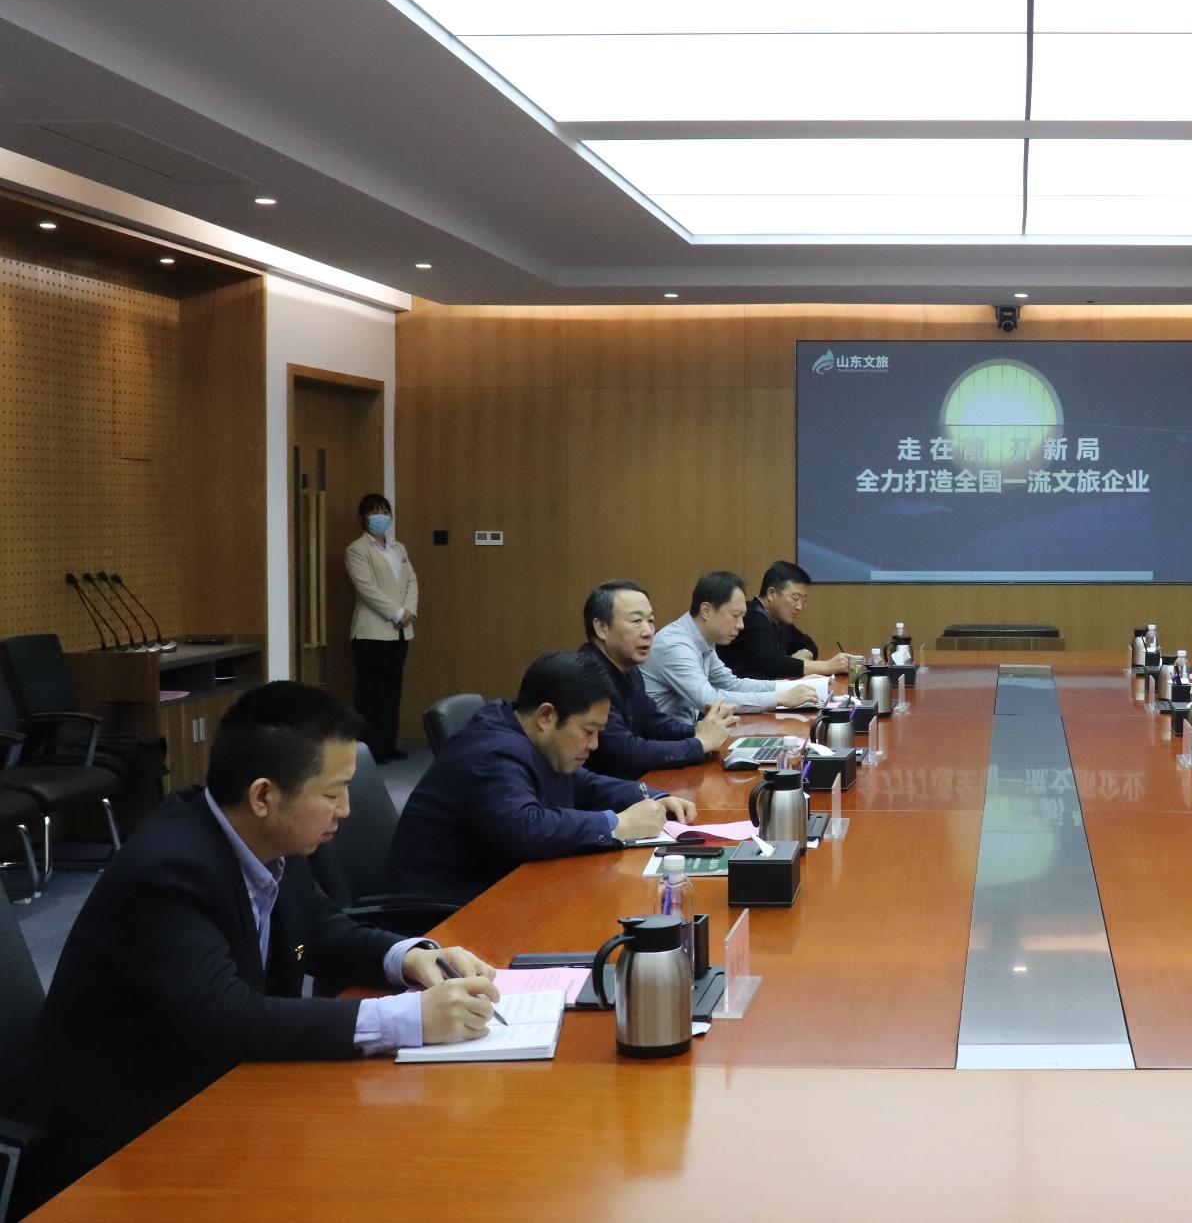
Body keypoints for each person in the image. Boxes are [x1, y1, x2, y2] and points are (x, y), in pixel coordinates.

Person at [0, 683, 501, 1210]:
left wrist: (411, 957)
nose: (346, 810)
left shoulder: (270, 841)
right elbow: (226, 1017)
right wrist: (408, 1019)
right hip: (113, 1144)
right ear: (264, 796)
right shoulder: (170, 872)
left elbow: (317, 933)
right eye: (333, 793)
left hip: (212, 1100)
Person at [389, 651, 695, 901]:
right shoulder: (493, 753)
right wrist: (618, 824)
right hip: (446, 911)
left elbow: (582, 783)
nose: (594, 744)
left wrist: (653, 797)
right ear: (546, 716)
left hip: (499, 886)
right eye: (588, 731)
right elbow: (526, 828)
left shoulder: (525, 734)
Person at [579, 578, 732, 779]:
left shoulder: (630, 670)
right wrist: (699, 744)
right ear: (601, 628)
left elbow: (655, 724)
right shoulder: (586, 677)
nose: (648, 632)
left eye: (650, 621)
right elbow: (626, 752)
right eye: (637, 621)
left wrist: (700, 730)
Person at [642, 571, 821, 724]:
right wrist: (779, 698)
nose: (741, 625)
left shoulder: (703, 639)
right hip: (666, 743)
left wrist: (790, 686)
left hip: (688, 733)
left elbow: (732, 684)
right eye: (735, 616)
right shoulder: (675, 646)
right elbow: (711, 702)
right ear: (706, 610)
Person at [344, 492, 419, 761]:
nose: (381, 517)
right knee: (370, 693)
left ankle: (388, 744)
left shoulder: (399, 549)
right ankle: (369, 750)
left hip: (400, 631)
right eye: (375, 512)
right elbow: (366, 588)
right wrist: (397, 612)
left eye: (385, 512)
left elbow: (411, 581)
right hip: (371, 631)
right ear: (363, 518)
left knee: (392, 690)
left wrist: (409, 611)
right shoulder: (357, 550)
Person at [719, 560, 852, 681]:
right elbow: (771, 664)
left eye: (803, 600)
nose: (799, 606)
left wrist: (803, 655)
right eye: (795, 597)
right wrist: (827, 666)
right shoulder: (751, 617)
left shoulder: (778, 619)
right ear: (771, 593)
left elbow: (808, 644)